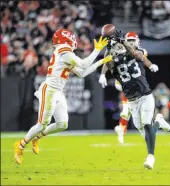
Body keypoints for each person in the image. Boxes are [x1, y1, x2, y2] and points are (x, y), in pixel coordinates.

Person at [14, 28, 112, 165]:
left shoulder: (65, 55)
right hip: (49, 90)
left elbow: (82, 73)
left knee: (62, 124)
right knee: (42, 123)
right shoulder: (64, 51)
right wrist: (97, 51)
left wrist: (101, 62)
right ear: (66, 40)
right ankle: (20, 146)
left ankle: (37, 138)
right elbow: (83, 64)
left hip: (58, 91)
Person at [100, 31, 170, 169]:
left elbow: (138, 54)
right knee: (146, 133)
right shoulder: (115, 59)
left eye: (132, 40)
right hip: (132, 101)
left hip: (145, 96)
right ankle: (159, 121)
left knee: (146, 124)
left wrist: (150, 65)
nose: (131, 42)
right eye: (128, 40)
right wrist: (109, 49)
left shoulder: (138, 52)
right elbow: (106, 61)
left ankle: (150, 157)